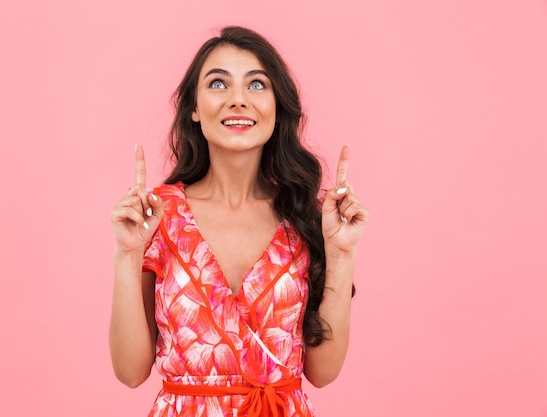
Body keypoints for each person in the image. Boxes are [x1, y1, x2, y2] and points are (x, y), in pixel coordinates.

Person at [109, 26, 369, 417]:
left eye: (257, 85)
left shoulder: (307, 216)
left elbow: (323, 372)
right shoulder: (158, 215)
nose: (238, 100)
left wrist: (342, 252)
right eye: (217, 83)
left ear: (278, 106)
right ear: (194, 108)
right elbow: (130, 373)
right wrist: (127, 255)